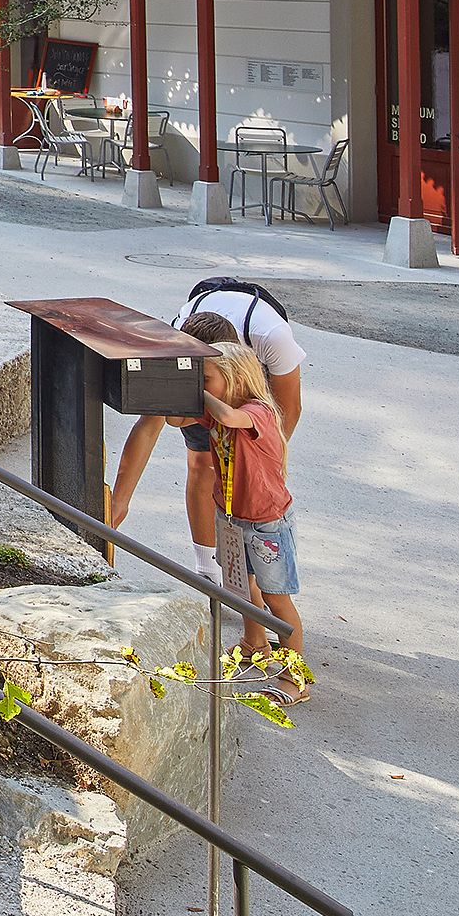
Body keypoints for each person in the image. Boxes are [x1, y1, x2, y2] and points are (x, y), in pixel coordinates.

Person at [109, 276, 307, 584]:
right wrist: (120, 502)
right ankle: (209, 571)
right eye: (197, 376)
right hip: (203, 361)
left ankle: (246, 577)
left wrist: (265, 466)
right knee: (201, 464)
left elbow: (288, 409)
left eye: (208, 377)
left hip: (254, 375)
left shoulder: (272, 336)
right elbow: (151, 424)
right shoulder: (176, 342)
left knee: (244, 475)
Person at [194, 328, 308, 698]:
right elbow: (178, 421)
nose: (202, 384)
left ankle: (296, 677)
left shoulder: (257, 412)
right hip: (232, 516)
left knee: (276, 599)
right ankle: (254, 642)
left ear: (235, 378)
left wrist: (197, 393)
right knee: (241, 587)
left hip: (266, 522)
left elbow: (228, 417)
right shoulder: (218, 410)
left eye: (207, 377)